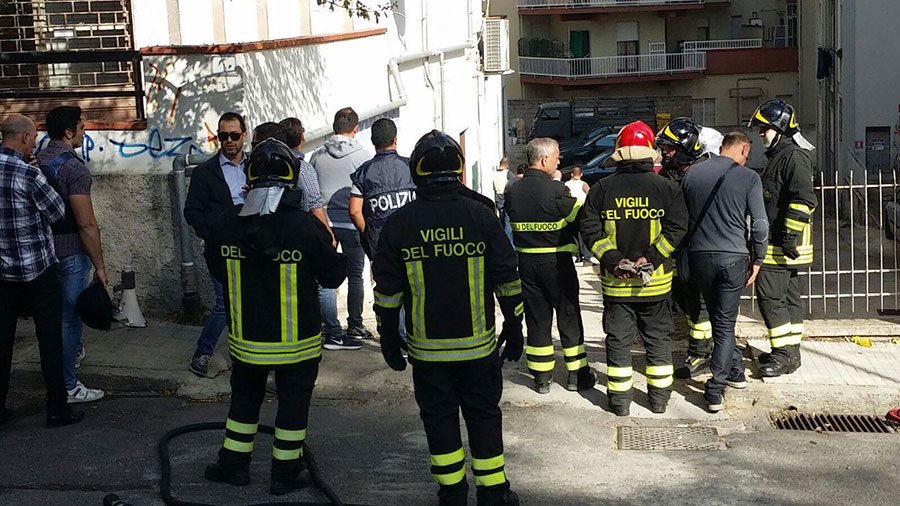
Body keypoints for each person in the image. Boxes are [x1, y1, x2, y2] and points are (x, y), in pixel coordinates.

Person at [373, 130, 523, 506]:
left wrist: (389, 338)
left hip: (429, 354)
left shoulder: (400, 224)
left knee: (439, 421)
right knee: (484, 417)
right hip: (477, 349)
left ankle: (452, 495)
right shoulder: (482, 216)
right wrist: (515, 325)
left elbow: (387, 294)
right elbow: (508, 279)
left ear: (417, 173)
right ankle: (493, 495)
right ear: (457, 170)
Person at [203, 138, 347, 495]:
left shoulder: (225, 224)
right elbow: (332, 276)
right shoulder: (304, 226)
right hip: (297, 344)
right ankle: (284, 473)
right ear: (292, 179)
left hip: (247, 341)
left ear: (249, 178)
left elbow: (217, 271)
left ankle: (234, 465)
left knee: (244, 400)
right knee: (293, 407)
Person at [580, 121, 688, 416]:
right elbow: (678, 229)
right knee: (657, 342)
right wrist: (651, 258)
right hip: (655, 285)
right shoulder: (667, 188)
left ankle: (620, 403)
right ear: (649, 152)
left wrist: (614, 261)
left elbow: (589, 231)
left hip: (617, 288)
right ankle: (659, 400)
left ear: (618, 151)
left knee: (618, 342)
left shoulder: (602, 189)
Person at [0, 114, 83, 428]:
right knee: (49, 338)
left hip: (2, 274)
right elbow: (57, 213)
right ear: (23, 138)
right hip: (37, 270)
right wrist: (36, 172)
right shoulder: (28, 174)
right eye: (33, 137)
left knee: (3, 340)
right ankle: (57, 408)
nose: (34, 142)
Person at [682, 131, 769, 412]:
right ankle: (716, 388)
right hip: (733, 258)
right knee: (724, 323)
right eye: (748, 153)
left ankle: (735, 372)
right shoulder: (749, 178)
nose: (748, 159)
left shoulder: (692, 174)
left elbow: (682, 218)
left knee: (717, 315)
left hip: (699, 257)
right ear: (743, 149)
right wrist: (759, 258)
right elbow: (760, 225)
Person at [505, 138, 595, 394]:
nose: (559, 161)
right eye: (556, 157)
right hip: (557, 264)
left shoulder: (513, 190)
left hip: (526, 264)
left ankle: (541, 377)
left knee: (537, 319)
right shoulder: (556, 191)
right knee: (568, 317)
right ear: (544, 160)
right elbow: (578, 217)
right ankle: (577, 375)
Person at [35, 106, 107, 403]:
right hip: (70, 252)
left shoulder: (38, 159)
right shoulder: (74, 168)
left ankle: (67, 365)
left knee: (52, 318)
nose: (84, 131)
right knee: (69, 318)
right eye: (81, 126)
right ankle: (68, 385)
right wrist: (100, 265)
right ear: (69, 131)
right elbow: (86, 224)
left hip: (41, 251)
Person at [748, 99, 817, 377]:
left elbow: (803, 200)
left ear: (780, 128)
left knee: (771, 299)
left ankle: (783, 355)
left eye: (764, 129)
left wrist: (788, 235)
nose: (759, 134)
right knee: (789, 299)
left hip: (782, 244)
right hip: (783, 243)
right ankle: (791, 352)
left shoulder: (793, 157)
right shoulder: (781, 156)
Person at [184, 112, 249, 377]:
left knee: (248, 303)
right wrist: (212, 233)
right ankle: (203, 353)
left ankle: (242, 352)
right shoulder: (205, 173)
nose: (230, 141)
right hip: (220, 249)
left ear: (244, 135)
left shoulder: (255, 167)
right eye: (224, 136)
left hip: (252, 246)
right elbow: (192, 211)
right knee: (225, 303)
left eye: (235, 135)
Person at [655, 118, 713, 379]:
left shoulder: (703, 172)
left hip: (699, 249)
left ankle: (702, 352)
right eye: (664, 148)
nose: (665, 154)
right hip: (675, 250)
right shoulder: (669, 174)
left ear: (687, 147)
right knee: (685, 301)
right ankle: (701, 347)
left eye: (670, 149)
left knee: (698, 303)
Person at [309, 107, 372, 348]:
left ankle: (331, 329)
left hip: (324, 223)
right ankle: (355, 324)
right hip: (353, 222)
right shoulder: (363, 156)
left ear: (334, 127)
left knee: (325, 279)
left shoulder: (317, 155)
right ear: (355, 129)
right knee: (356, 275)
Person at [348, 118, 416, 257]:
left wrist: (369, 234)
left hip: (381, 246)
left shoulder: (363, 172)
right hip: (412, 242)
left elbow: (354, 211)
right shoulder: (411, 166)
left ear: (373, 141)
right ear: (395, 140)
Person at [277, 117, 333, 234]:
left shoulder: (271, 164)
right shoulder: (303, 169)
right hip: (299, 231)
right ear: (302, 137)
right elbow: (315, 205)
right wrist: (329, 235)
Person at [564, 165, 592, 264]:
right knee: (583, 233)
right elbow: (590, 196)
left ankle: (578, 255)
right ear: (581, 174)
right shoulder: (584, 184)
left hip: (570, 212)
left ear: (571, 174)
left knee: (574, 234)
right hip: (582, 211)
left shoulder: (566, 184)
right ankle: (586, 256)